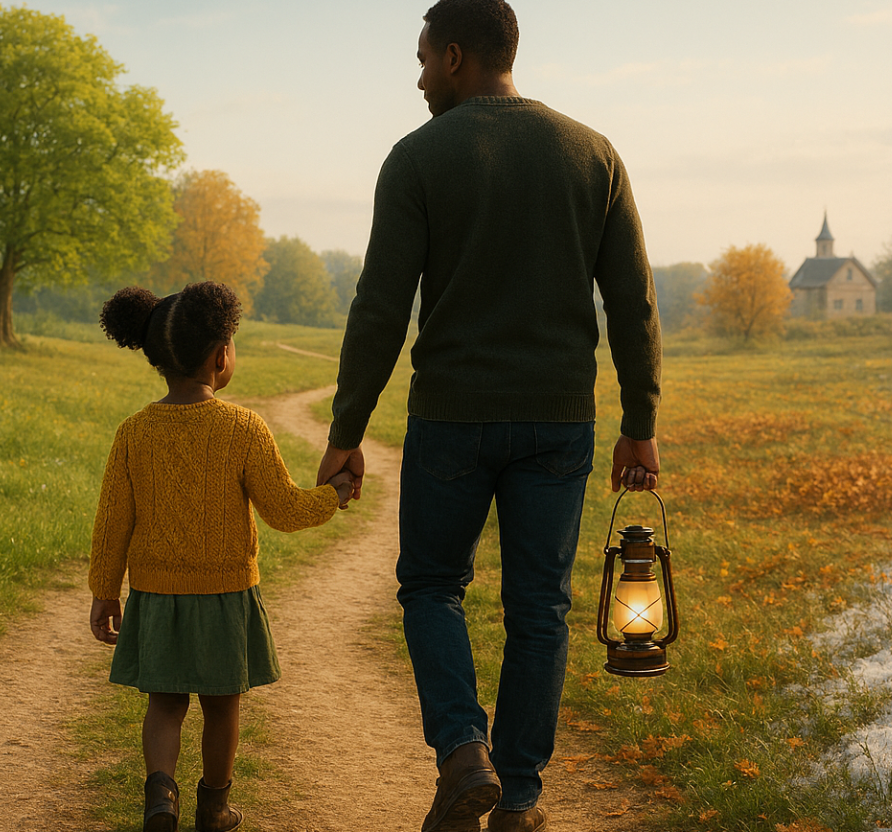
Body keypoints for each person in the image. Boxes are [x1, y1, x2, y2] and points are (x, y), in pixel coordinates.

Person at [315, 1, 662, 830]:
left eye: (426, 58)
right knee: (539, 608)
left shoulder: (417, 158)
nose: (421, 76)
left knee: (432, 586)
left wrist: (346, 433)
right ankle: (520, 797)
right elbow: (633, 301)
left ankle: (464, 753)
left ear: (459, 56)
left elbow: (380, 309)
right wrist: (640, 419)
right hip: (559, 424)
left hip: (451, 420)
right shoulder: (593, 153)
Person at [88, 281, 354, 832]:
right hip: (226, 595)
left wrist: (104, 591)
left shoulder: (134, 432)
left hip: (158, 594)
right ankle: (214, 805)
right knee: (222, 705)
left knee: (164, 704)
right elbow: (282, 509)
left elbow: (114, 520)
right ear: (220, 356)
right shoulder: (243, 427)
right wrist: (335, 493)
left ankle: (161, 796)